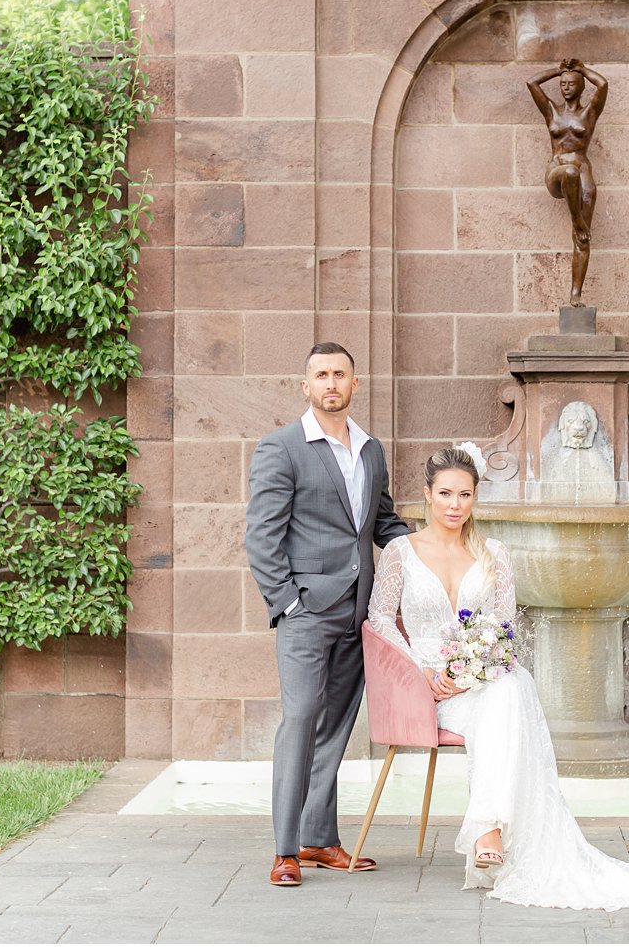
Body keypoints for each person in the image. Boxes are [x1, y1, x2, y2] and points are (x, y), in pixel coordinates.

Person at [367, 446, 629, 911]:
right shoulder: (400, 552)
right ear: (427, 495)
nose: (455, 505)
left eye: (465, 494)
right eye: (446, 494)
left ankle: (489, 827)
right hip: (426, 689)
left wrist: (473, 672)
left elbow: (503, 627)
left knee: (508, 687)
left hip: (481, 680)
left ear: (476, 498)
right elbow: (381, 619)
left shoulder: (494, 553)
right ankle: (488, 827)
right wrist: (424, 671)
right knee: (508, 695)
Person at [245, 341, 412, 888]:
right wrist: (288, 602)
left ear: (355, 384)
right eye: (321, 375)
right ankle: (286, 849)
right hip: (307, 614)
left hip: (359, 612)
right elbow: (262, 538)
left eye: (340, 374)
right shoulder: (282, 448)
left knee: (336, 727)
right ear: (306, 385)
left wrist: (437, 549)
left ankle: (320, 838)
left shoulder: (370, 450)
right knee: (299, 721)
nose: (331, 383)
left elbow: (381, 523)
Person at [527, 58, 608, 306]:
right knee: (570, 173)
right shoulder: (551, 111)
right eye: (562, 84)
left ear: (581, 86)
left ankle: (576, 294)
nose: (565, 87)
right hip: (558, 169)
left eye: (571, 84)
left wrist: (582, 69)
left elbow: (603, 84)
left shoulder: (589, 113)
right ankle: (576, 220)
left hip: (583, 171)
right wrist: (559, 71)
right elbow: (531, 82)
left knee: (582, 238)